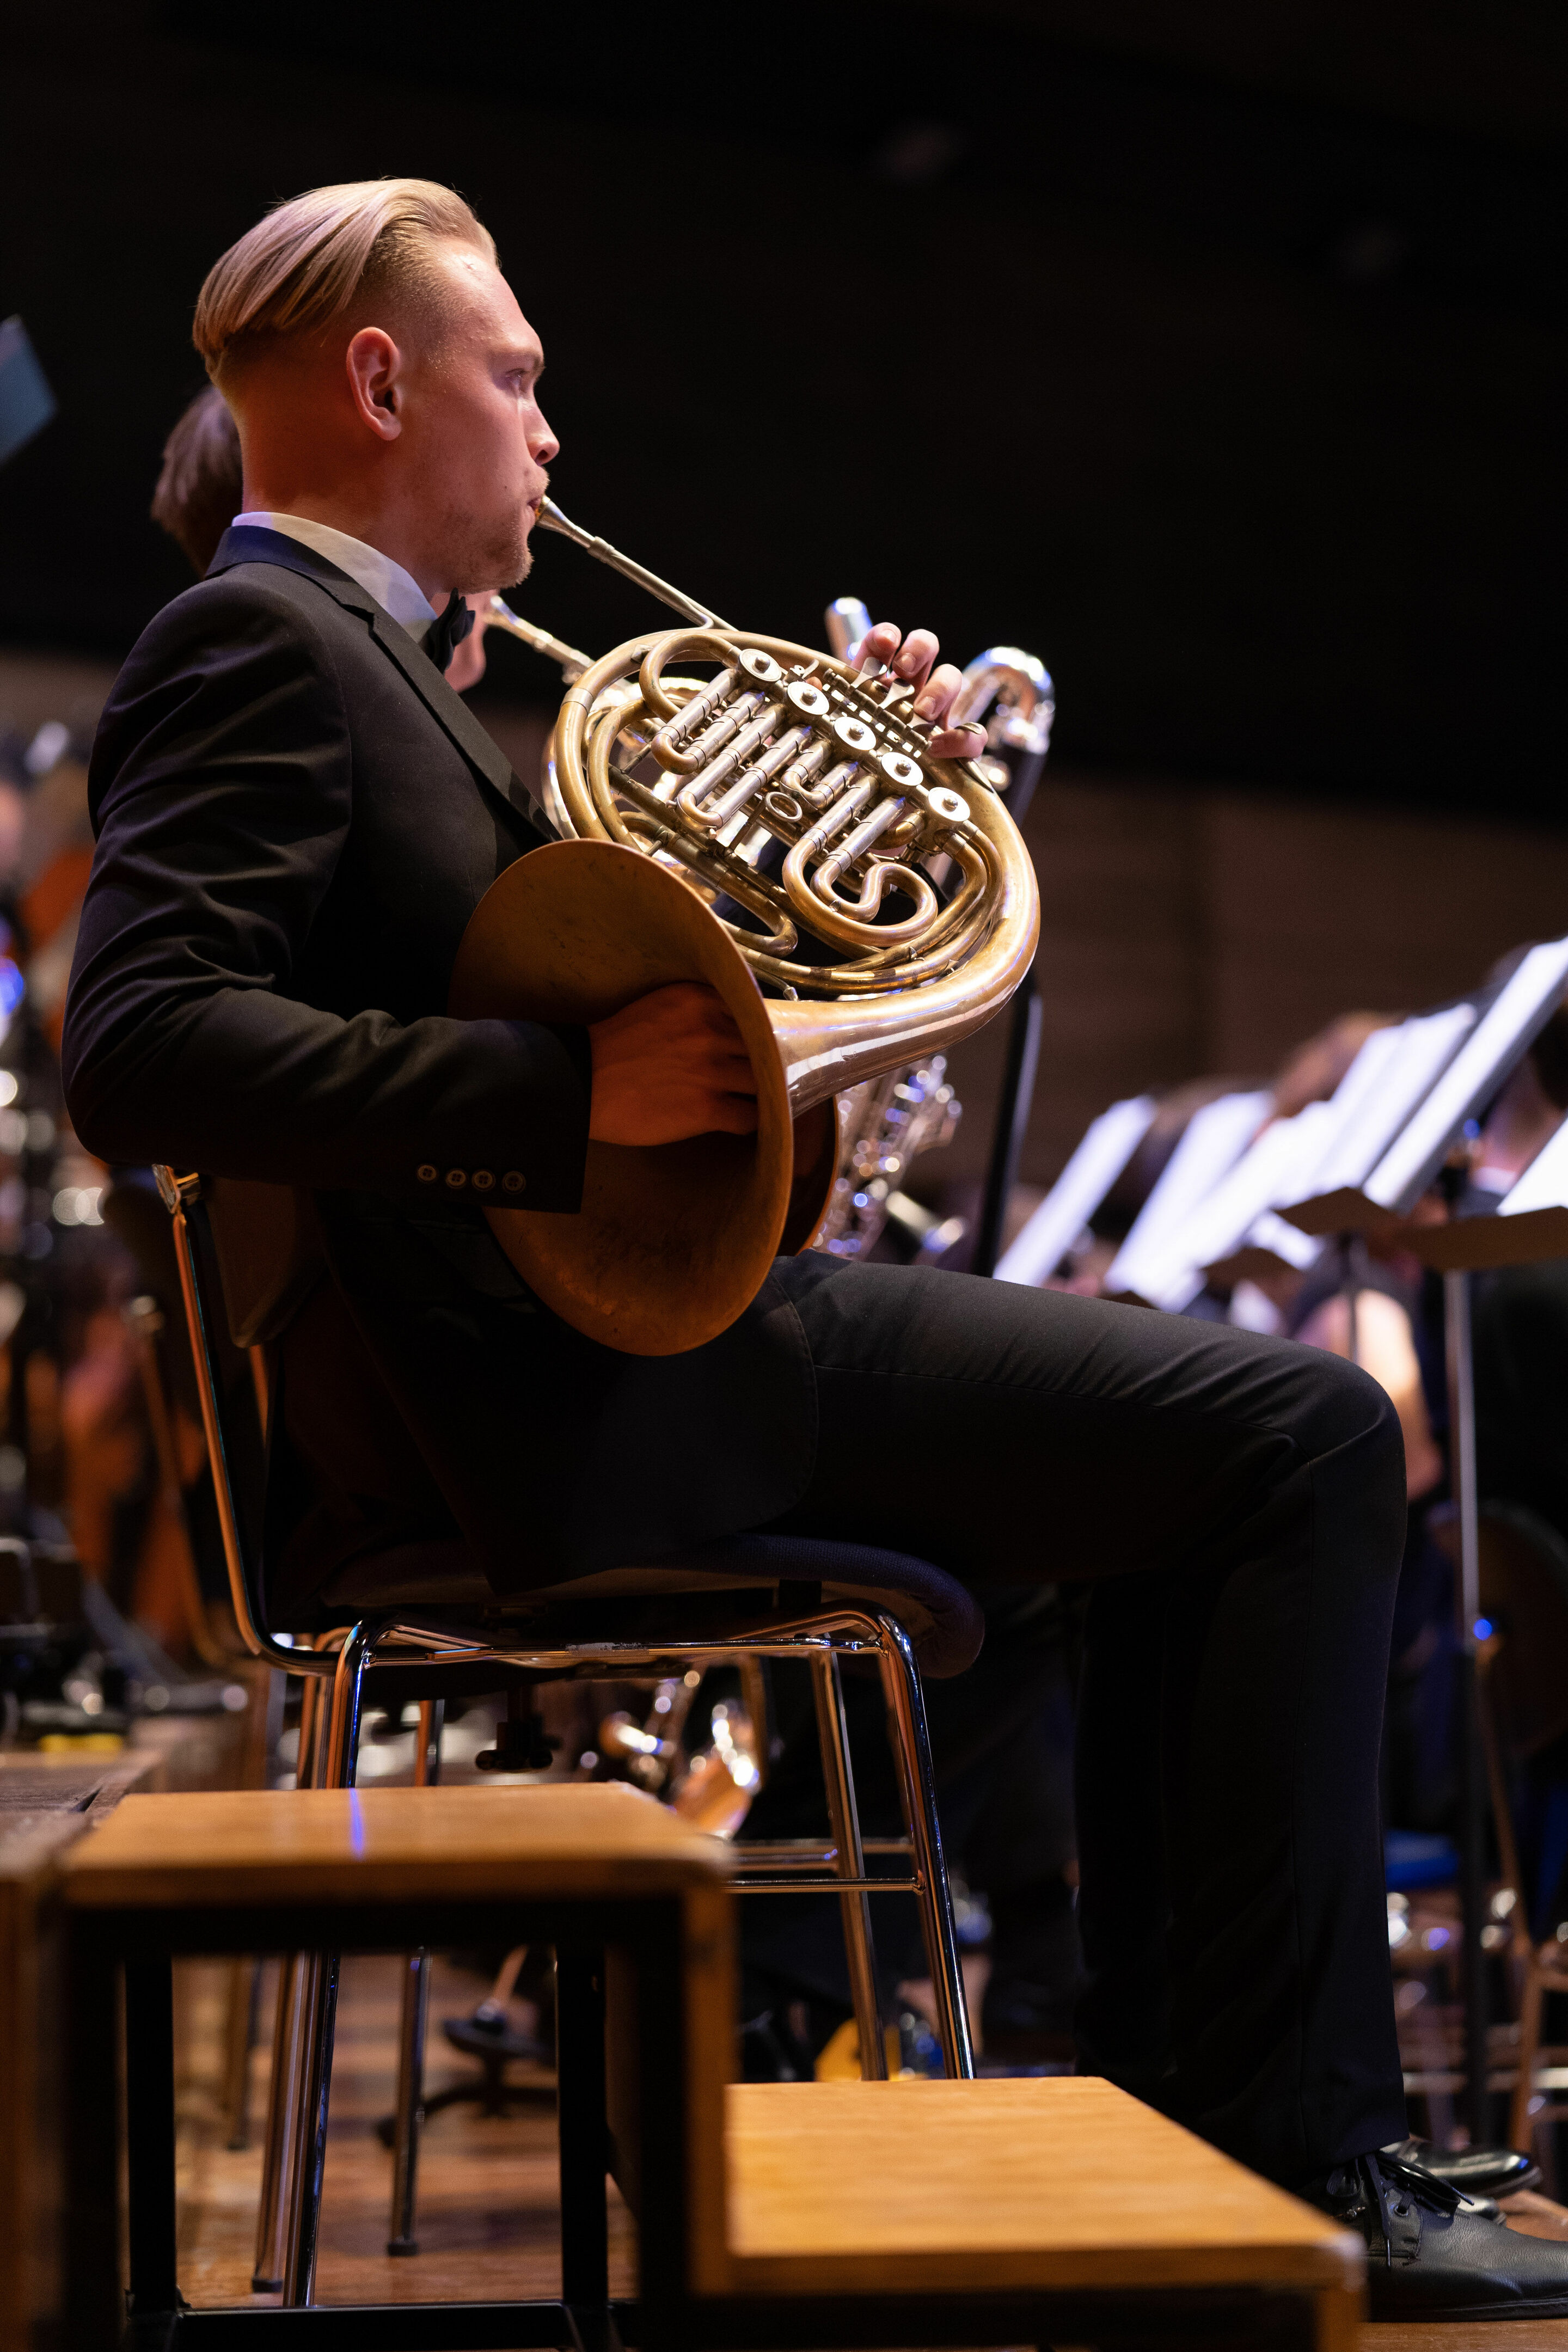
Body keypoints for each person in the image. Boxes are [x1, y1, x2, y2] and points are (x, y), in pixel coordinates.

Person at [59, 178, 1568, 2319]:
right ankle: (1307, 2151)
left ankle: (1214, 2127)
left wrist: (855, 795)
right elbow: (140, 1046)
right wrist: (573, 1099)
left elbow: (606, 1005)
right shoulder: (260, 642)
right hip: (561, 1401)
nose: (550, 432)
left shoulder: (375, 663)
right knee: (1309, 1429)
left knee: (1186, 1477)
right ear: (380, 384)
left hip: (593, 1358)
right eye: (518, 377)